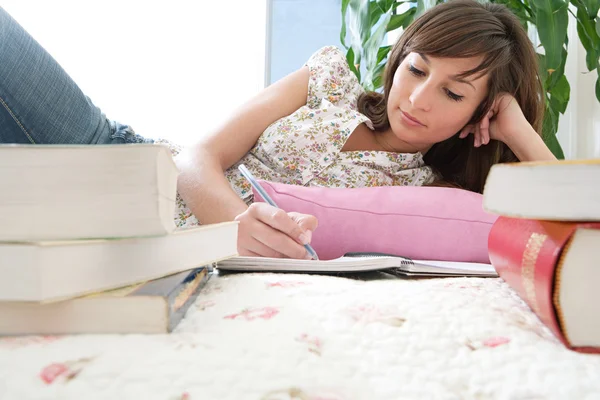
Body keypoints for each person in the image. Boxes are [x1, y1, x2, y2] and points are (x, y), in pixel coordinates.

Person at [0, 1, 556, 260]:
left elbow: (576, 228)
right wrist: (236, 228)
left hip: (131, 236)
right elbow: (198, 157)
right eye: (416, 68)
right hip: (121, 161)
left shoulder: (430, 194)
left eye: (454, 93)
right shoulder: (327, 79)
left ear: (479, 114)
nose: (417, 97)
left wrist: (519, 132)